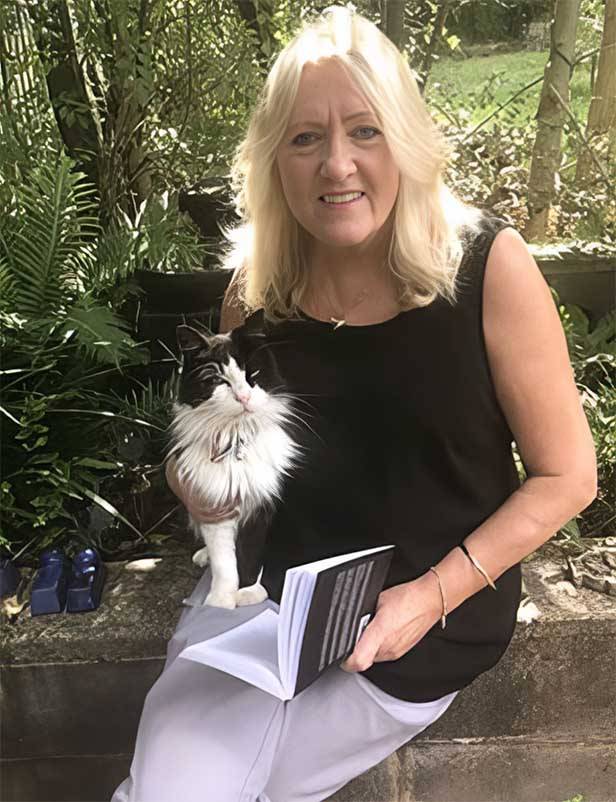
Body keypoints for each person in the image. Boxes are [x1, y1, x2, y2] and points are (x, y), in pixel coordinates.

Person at [111, 7, 597, 801]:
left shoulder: (488, 268)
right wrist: (192, 482)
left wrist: (428, 599)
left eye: (364, 131)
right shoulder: (258, 287)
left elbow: (568, 476)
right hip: (265, 612)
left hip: (419, 626)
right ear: (274, 159)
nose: (337, 165)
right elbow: (212, 451)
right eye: (305, 138)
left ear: (405, 139)